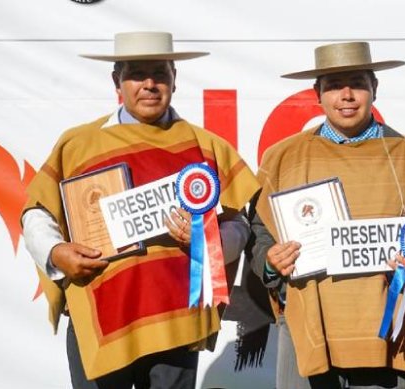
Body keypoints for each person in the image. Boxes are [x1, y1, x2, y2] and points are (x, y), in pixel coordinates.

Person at [21, 31, 259, 388]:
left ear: (175, 80)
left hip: (178, 321)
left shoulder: (206, 146)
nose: (149, 84)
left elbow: (237, 223)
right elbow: (37, 213)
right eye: (137, 73)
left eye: (160, 73)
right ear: (117, 80)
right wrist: (56, 253)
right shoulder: (78, 144)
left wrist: (207, 241)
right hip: (102, 317)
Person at [249, 41, 405, 388]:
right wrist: (269, 261)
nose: (346, 95)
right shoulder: (283, 157)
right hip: (307, 327)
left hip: (388, 334)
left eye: (357, 82)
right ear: (317, 93)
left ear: (375, 88)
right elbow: (258, 231)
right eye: (333, 85)